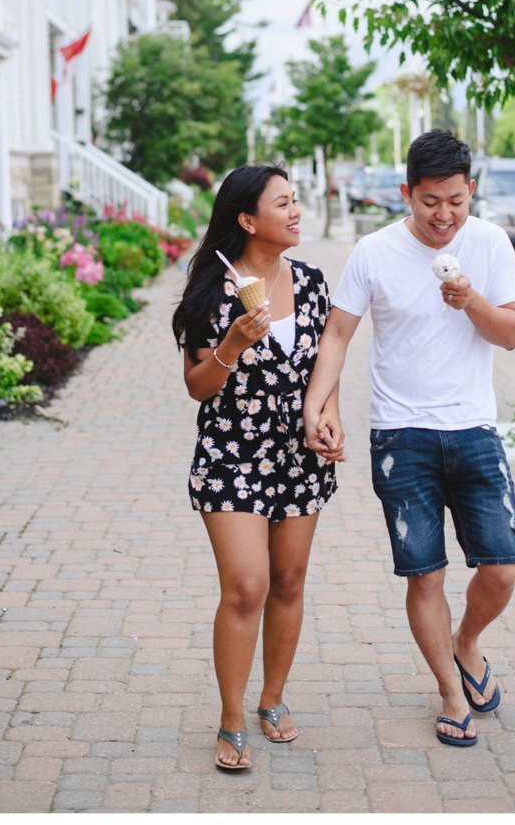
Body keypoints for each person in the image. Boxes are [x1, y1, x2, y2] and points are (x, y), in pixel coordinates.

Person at [304, 130, 515, 748]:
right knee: (424, 576)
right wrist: (315, 405)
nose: (443, 215)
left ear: (470, 191)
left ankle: (467, 643)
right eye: (430, 200)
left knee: (502, 569)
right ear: (407, 193)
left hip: (474, 428)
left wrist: (470, 301)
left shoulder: (490, 243)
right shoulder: (373, 253)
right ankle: (450, 691)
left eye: (455, 199)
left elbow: (509, 333)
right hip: (401, 435)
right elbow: (338, 336)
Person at [172, 165, 342, 771]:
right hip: (231, 455)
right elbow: (198, 387)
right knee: (248, 586)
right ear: (247, 220)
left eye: (296, 201)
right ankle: (232, 717)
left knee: (290, 581)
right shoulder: (210, 290)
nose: (296, 212)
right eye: (283, 204)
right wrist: (234, 344)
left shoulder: (315, 284)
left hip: (297, 458)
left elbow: (325, 366)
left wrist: (328, 418)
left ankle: (272, 700)